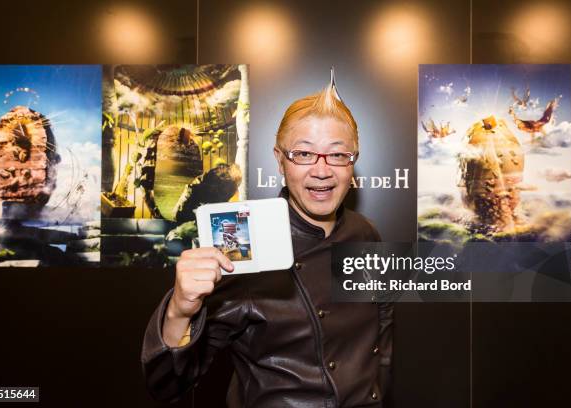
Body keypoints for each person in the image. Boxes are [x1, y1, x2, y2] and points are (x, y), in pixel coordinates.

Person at [142, 80, 393, 407]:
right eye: (303, 153)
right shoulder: (245, 241)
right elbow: (168, 386)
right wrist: (179, 309)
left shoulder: (367, 233)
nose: (321, 170)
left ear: (352, 160)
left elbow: (382, 331)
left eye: (337, 154)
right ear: (280, 160)